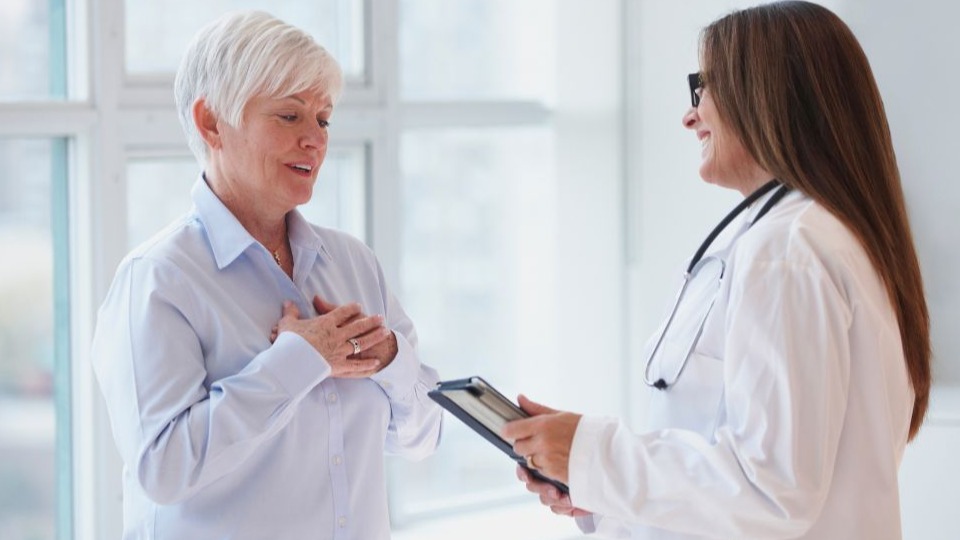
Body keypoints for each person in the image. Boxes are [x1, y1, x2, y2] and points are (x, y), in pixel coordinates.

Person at [501, 2, 931, 539]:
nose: (690, 115)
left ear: (767, 95)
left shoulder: (787, 250)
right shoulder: (810, 235)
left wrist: (591, 456)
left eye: (702, 89)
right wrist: (594, 491)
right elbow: (749, 478)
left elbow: (770, 492)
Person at [91, 11, 442, 540]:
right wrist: (299, 360)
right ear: (212, 123)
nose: (315, 141)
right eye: (289, 116)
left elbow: (424, 437)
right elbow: (163, 470)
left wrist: (390, 357)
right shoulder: (158, 280)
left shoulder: (354, 264)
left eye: (323, 120)